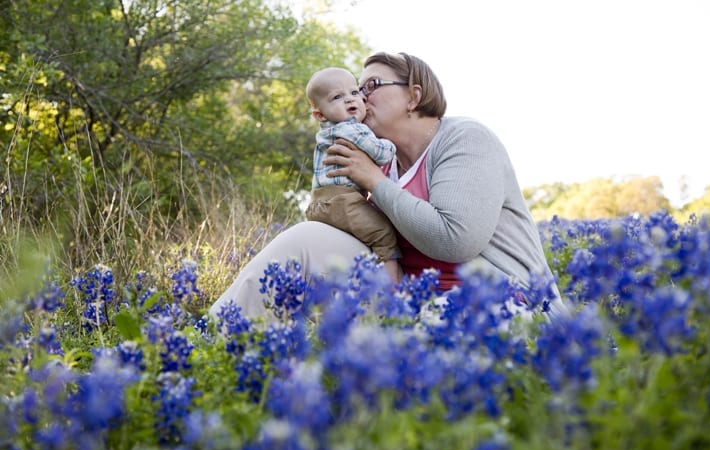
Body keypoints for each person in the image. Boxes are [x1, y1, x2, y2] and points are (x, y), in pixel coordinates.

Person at [209, 52, 564, 320]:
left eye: (370, 87)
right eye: (356, 91)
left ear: (413, 96)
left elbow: (456, 240)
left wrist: (374, 182)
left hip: (499, 303)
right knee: (302, 239)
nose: (360, 99)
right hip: (407, 301)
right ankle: (211, 341)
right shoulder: (382, 161)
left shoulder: (465, 138)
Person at [303, 67, 402, 283]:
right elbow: (381, 154)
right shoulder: (351, 129)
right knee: (383, 236)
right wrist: (392, 143)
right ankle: (393, 292)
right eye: (338, 97)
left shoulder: (326, 131)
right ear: (319, 114)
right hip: (344, 202)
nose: (350, 100)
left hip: (318, 204)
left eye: (354, 92)